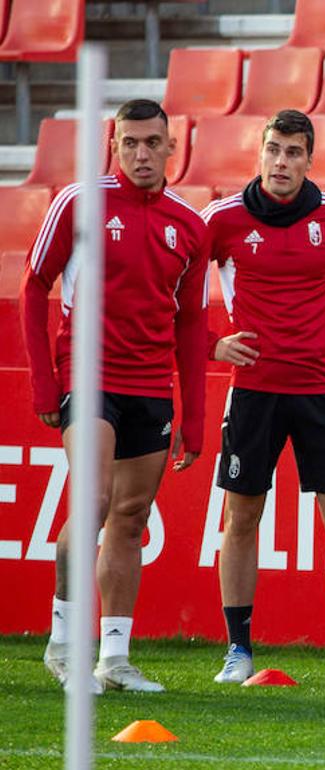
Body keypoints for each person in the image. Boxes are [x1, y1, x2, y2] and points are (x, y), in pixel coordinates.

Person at [203, 110, 325, 686]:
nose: (281, 162)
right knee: (242, 519)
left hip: (321, 393)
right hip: (253, 393)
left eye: (293, 152)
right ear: (260, 153)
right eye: (273, 149)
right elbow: (170, 286)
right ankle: (238, 651)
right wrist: (213, 345)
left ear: (310, 160)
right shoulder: (222, 218)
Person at [22, 99, 209, 694]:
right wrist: (44, 381)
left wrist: (195, 418)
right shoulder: (79, 202)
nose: (141, 154)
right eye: (130, 142)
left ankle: (114, 658)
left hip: (151, 384)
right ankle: (62, 645)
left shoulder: (191, 226)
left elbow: (191, 324)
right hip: (88, 373)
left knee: (131, 519)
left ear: (172, 147)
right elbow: (34, 287)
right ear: (114, 146)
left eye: (152, 142)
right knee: (95, 499)